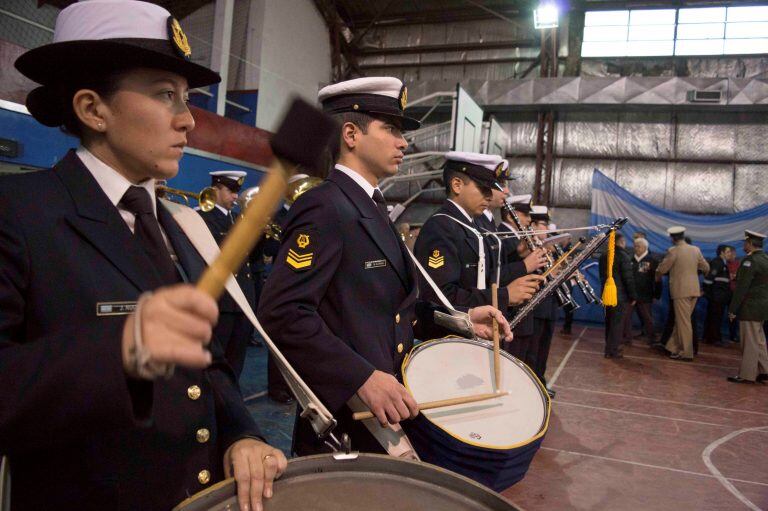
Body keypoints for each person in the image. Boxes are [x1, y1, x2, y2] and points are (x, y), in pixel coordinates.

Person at [1, 2, 286, 510]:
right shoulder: (19, 214)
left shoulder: (180, 223)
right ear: (93, 109)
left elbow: (208, 363)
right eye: (164, 95)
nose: (187, 121)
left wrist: (243, 432)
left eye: (187, 98)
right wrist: (124, 348)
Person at [257, 77, 514, 455]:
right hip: (345, 418)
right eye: (391, 129)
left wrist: (461, 318)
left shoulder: (372, 207)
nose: (403, 142)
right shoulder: (326, 206)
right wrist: (359, 377)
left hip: (385, 407)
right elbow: (282, 312)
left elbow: (391, 309)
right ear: (350, 134)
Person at [414, 152, 543, 311]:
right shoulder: (441, 227)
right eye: (484, 188)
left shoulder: (470, 225)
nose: (489, 196)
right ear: (457, 185)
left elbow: (482, 279)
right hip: (452, 334)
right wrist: (504, 296)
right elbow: (439, 297)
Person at [198, 170, 257, 377]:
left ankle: (230, 401)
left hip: (242, 300)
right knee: (216, 360)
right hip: (222, 300)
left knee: (236, 360)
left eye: (237, 192)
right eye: (231, 191)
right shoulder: (202, 216)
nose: (235, 197)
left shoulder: (236, 218)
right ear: (215, 189)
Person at [655, 227, 709, 361]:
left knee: (683, 323)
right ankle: (673, 347)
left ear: (673, 238)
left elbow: (663, 268)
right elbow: (706, 267)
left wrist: (657, 275)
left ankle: (686, 353)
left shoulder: (673, 251)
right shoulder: (695, 249)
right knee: (682, 321)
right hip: (694, 290)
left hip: (680, 291)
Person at [726, 231, 768, 384]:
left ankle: (747, 374)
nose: (744, 245)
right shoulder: (765, 259)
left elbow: (741, 288)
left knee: (749, 342)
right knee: (759, 341)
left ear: (750, 243)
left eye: (745, 242)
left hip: (749, 307)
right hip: (763, 307)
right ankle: (764, 371)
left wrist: (733, 309)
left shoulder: (749, 261)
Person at [599, 232, 637, 359]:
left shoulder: (604, 256)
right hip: (620, 296)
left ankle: (608, 349)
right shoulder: (623, 256)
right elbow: (628, 279)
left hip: (606, 294)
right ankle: (613, 350)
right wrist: (633, 296)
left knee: (609, 322)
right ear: (621, 242)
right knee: (617, 324)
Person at [623, 237, 659, 345]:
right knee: (626, 317)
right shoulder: (630, 260)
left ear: (645, 247)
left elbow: (657, 279)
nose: (635, 248)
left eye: (638, 246)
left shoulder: (652, 261)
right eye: (635, 246)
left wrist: (656, 294)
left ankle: (652, 338)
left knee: (647, 318)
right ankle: (627, 338)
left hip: (645, 295)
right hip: (630, 295)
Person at [703, 244, 734, 347]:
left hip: (719, 296)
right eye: (728, 252)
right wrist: (709, 294)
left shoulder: (723, 263)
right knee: (715, 318)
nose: (730, 254)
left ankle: (709, 338)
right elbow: (709, 279)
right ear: (722, 252)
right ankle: (714, 339)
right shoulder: (717, 262)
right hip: (717, 297)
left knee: (714, 317)